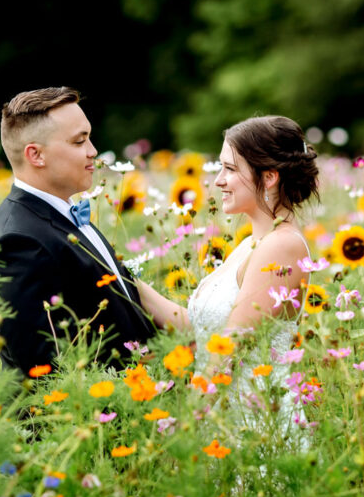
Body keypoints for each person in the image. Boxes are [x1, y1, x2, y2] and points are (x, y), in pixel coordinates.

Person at [136, 115, 319, 431]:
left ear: (270, 176)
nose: (218, 180)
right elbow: (200, 329)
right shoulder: (253, 243)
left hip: (256, 426)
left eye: (230, 169)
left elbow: (228, 349)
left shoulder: (282, 246)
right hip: (225, 420)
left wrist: (184, 427)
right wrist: (123, 279)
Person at [0, 87, 156, 378]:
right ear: (36, 155)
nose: (93, 151)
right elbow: (43, 371)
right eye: (79, 141)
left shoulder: (64, 212)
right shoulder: (18, 243)